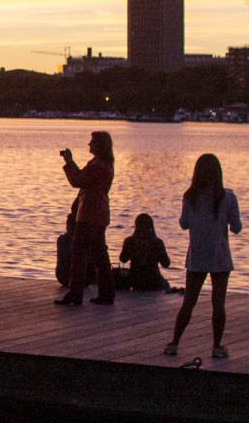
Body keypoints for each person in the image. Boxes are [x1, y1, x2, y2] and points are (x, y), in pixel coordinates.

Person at [165, 154, 242, 360]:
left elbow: (184, 224)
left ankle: (174, 343)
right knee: (219, 303)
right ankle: (217, 346)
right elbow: (237, 228)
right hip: (220, 257)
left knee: (189, 302)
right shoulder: (228, 197)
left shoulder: (190, 196)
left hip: (197, 256)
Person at [56, 131, 115, 306]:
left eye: (92, 142)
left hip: (89, 214)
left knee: (79, 252)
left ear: (99, 145)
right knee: (99, 254)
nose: (89, 144)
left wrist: (69, 162)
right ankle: (106, 293)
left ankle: (76, 294)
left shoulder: (98, 165)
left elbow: (78, 180)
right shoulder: (105, 164)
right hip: (99, 213)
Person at [118, 213, 172, 292]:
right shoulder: (157, 242)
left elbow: (123, 259)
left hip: (135, 281)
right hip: (154, 281)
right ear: (151, 226)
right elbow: (166, 264)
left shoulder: (129, 241)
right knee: (166, 284)